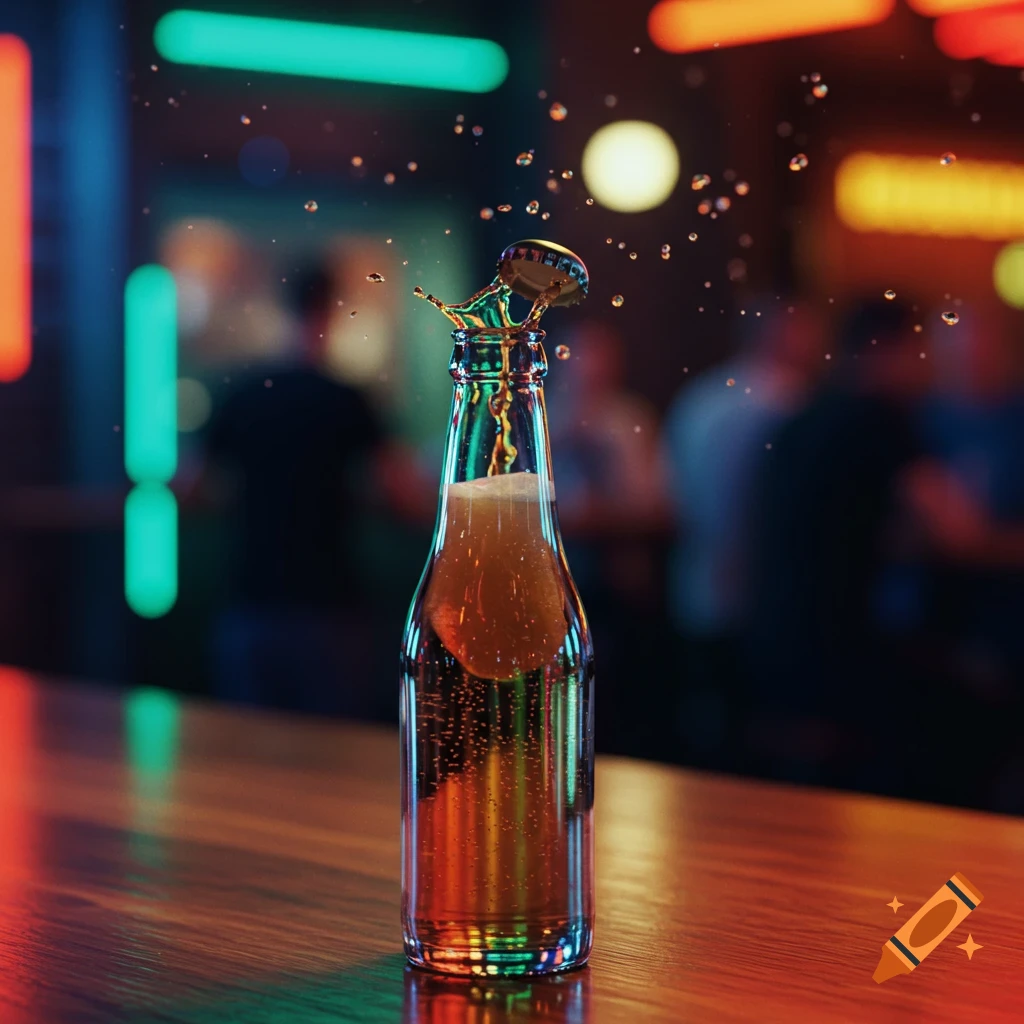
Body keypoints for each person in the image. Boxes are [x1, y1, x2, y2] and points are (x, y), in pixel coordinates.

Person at [742, 299, 927, 787]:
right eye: (918, 349)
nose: (924, 365)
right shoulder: (878, 418)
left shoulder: (801, 416)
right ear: (886, 350)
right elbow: (955, 527)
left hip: (769, 636)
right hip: (835, 649)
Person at [201, 264, 391, 716]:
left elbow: (193, 486)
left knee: (249, 736)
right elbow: (397, 490)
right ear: (331, 313)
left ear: (282, 312)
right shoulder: (346, 399)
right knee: (333, 741)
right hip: (329, 600)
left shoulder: (246, 394)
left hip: (253, 595)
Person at [662, 302, 826, 768]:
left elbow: (670, 498)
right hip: (771, 597)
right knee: (768, 738)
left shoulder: (700, 398)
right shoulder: (791, 402)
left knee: (710, 725)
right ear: (785, 333)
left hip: (695, 585)